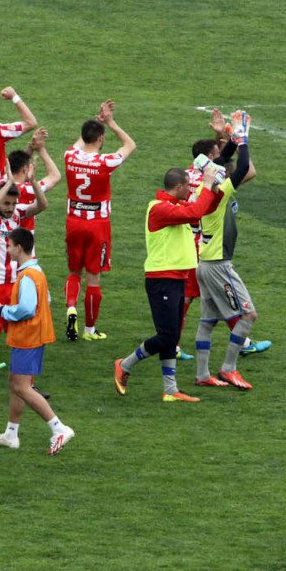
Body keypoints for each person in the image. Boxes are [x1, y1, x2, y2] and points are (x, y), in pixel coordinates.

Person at [112, 165, 222, 403]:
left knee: (172, 335)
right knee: (167, 335)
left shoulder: (174, 206)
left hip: (176, 278)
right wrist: (205, 185)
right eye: (188, 186)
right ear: (179, 186)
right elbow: (196, 212)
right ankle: (125, 364)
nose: (190, 189)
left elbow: (204, 209)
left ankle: (170, 390)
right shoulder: (159, 209)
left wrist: (214, 188)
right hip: (162, 279)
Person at [181, 109, 272, 359]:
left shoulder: (194, 176)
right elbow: (245, 170)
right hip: (211, 253)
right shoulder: (220, 191)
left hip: (194, 242)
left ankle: (193, 361)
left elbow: (219, 161)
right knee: (237, 308)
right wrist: (241, 140)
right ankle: (233, 356)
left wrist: (226, 137)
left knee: (205, 312)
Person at [0, 228, 75, 455]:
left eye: (9, 246)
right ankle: (11, 434)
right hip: (32, 336)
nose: (7, 250)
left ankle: (59, 428)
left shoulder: (27, 276)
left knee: (22, 387)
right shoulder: (36, 271)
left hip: (28, 336)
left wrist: (4, 310)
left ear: (19, 248)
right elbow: (46, 300)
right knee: (14, 383)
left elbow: (26, 308)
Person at [0, 169, 47, 399]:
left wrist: (33, 182)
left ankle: (28, 385)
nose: (11, 207)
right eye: (7, 203)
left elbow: (42, 205)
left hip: (13, 285)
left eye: (13, 203)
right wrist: (5, 185)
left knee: (23, 335)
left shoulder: (18, 214)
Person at [63, 100, 136, 342]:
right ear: (101, 139)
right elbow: (130, 145)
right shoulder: (105, 162)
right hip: (97, 225)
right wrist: (110, 122)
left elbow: (79, 143)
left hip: (74, 221)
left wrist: (95, 122)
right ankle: (89, 330)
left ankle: (71, 307)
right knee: (93, 277)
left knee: (74, 271)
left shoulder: (70, 156)